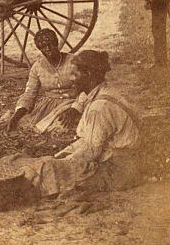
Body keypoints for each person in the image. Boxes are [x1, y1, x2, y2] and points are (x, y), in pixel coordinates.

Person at [7, 50, 143, 197]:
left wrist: (60, 163)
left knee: (47, 168)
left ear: (89, 75)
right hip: (125, 162)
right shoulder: (105, 93)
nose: (71, 79)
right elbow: (88, 143)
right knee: (45, 163)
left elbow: (90, 153)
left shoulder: (99, 108)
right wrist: (60, 155)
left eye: (75, 74)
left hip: (118, 170)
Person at [0, 28, 78, 133]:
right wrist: (16, 116)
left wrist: (76, 108)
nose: (48, 49)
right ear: (39, 49)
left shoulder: (74, 62)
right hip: (49, 107)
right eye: (43, 47)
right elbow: (30, 94)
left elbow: (86, 89)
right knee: (21, 123)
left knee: (67, 128)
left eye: (51, 44)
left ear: (57, 43)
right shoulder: (38, 67)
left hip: (73, 102)